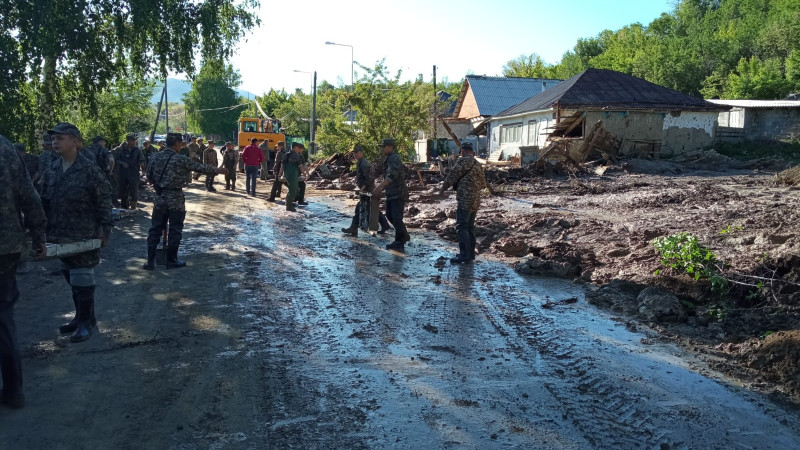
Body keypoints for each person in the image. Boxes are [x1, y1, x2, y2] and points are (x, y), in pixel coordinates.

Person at [41, 122, 113, 343]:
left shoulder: (89, 169)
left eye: (60, 138)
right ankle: (83, 317)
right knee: (70, 275)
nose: (55, 142)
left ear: (74, 141)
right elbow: (44, 200)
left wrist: (105, 229)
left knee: (82, 276)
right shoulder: (53, 168)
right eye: (53, 138)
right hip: (60, 234)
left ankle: (85, 324)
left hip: (85, 232)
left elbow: (104, 200)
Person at [0, 135, 47, 409]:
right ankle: (13, 390)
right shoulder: (4, 147)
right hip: (5, 247)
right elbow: (27, 194)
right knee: (3, 318)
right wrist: (38, 234)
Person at [143, 133, 228, 270]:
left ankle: (150, 262)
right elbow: (200, 167)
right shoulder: (180, 159)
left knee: (155, 229)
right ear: (176, 143)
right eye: (180, 143)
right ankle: (171, 260)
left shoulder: (155, 157)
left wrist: (159, 186)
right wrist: (218, 170)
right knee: (175, 230)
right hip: (175, 199)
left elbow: (148, 176)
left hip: (160, 198)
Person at [438, 142, 488, 264]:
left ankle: (464, 255)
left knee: (462, 227)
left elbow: (452, 176)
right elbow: (483, 184)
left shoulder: (462, 161)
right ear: (472, 152)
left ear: (463, 152)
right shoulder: (477, 164)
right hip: (476, 200)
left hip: (465, 200)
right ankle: (470, 254)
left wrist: (442, 189)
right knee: (470, 227)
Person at [341, 145, 391, 236]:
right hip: (367, 191)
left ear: (361, 153)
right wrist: (348, 175)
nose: (355, 155)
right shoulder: (360, 162)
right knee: (373, 208)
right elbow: (358, 173)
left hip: (369, 191)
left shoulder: (364, 164)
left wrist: (362, 189)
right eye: (354, 153)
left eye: (356, 153)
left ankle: (353, 228)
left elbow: (369, 179)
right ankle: (385, 225)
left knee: (359, 208)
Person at [374, 138, 409, 250]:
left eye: (383, 146)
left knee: (396, 218)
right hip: (391, 193)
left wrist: (379, 187)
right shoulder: (389, 158)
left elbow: (391, 176)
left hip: (397, 193)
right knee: (389, 215)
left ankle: (399, 242)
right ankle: (404, 235)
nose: (382, 149)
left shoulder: (393, 158)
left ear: (390, 147)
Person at [113, 134, 145, 209]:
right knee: (123, 191)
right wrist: (122, 163)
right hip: (123, 174)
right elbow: (115, 159)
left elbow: (142, 160)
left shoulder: (137, 150)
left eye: (135, 141)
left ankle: (133, 207)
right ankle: (124, 207)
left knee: (134, 191)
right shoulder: (122, 149)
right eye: (132, 141)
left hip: (134, 174)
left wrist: (143, 170)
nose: (134, 142)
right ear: (128, 141)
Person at [282, 142, 306, 212]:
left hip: (287, 174)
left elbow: (282, 165)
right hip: (293, 175)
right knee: (293, 190)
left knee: (292, 190)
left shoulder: (287, 154)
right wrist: (304, 174)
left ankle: (288, 203)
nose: (299, 149)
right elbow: (300, 166)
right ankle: (289, 206)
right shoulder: (296, 155)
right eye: (298, 148)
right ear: (295, 147)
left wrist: (280, 174)